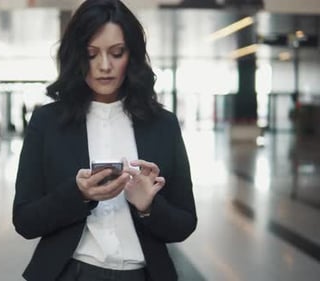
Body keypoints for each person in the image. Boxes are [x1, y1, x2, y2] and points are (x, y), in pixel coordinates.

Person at [13, 1, 197, 280]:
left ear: (131, 56)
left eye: (117, 53)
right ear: (77, 56)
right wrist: (79, 195)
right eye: (91, 53)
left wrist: (148, 206)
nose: (104, 66)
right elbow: (25, 220)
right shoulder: (47, 122)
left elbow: (184, 223)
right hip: (71, 272)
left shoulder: (163, 124)